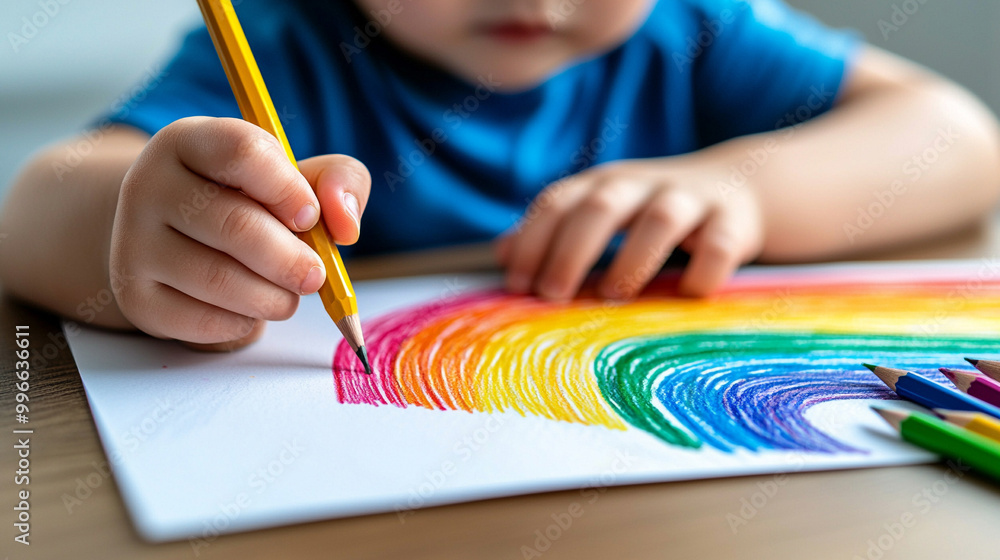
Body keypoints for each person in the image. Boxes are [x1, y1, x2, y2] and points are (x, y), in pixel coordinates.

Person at [1, 0, 998, 350]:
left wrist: (746, 187)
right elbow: (33, 211)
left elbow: (954, 136)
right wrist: (130, 229)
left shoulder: (696, 28)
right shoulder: (286, 40)